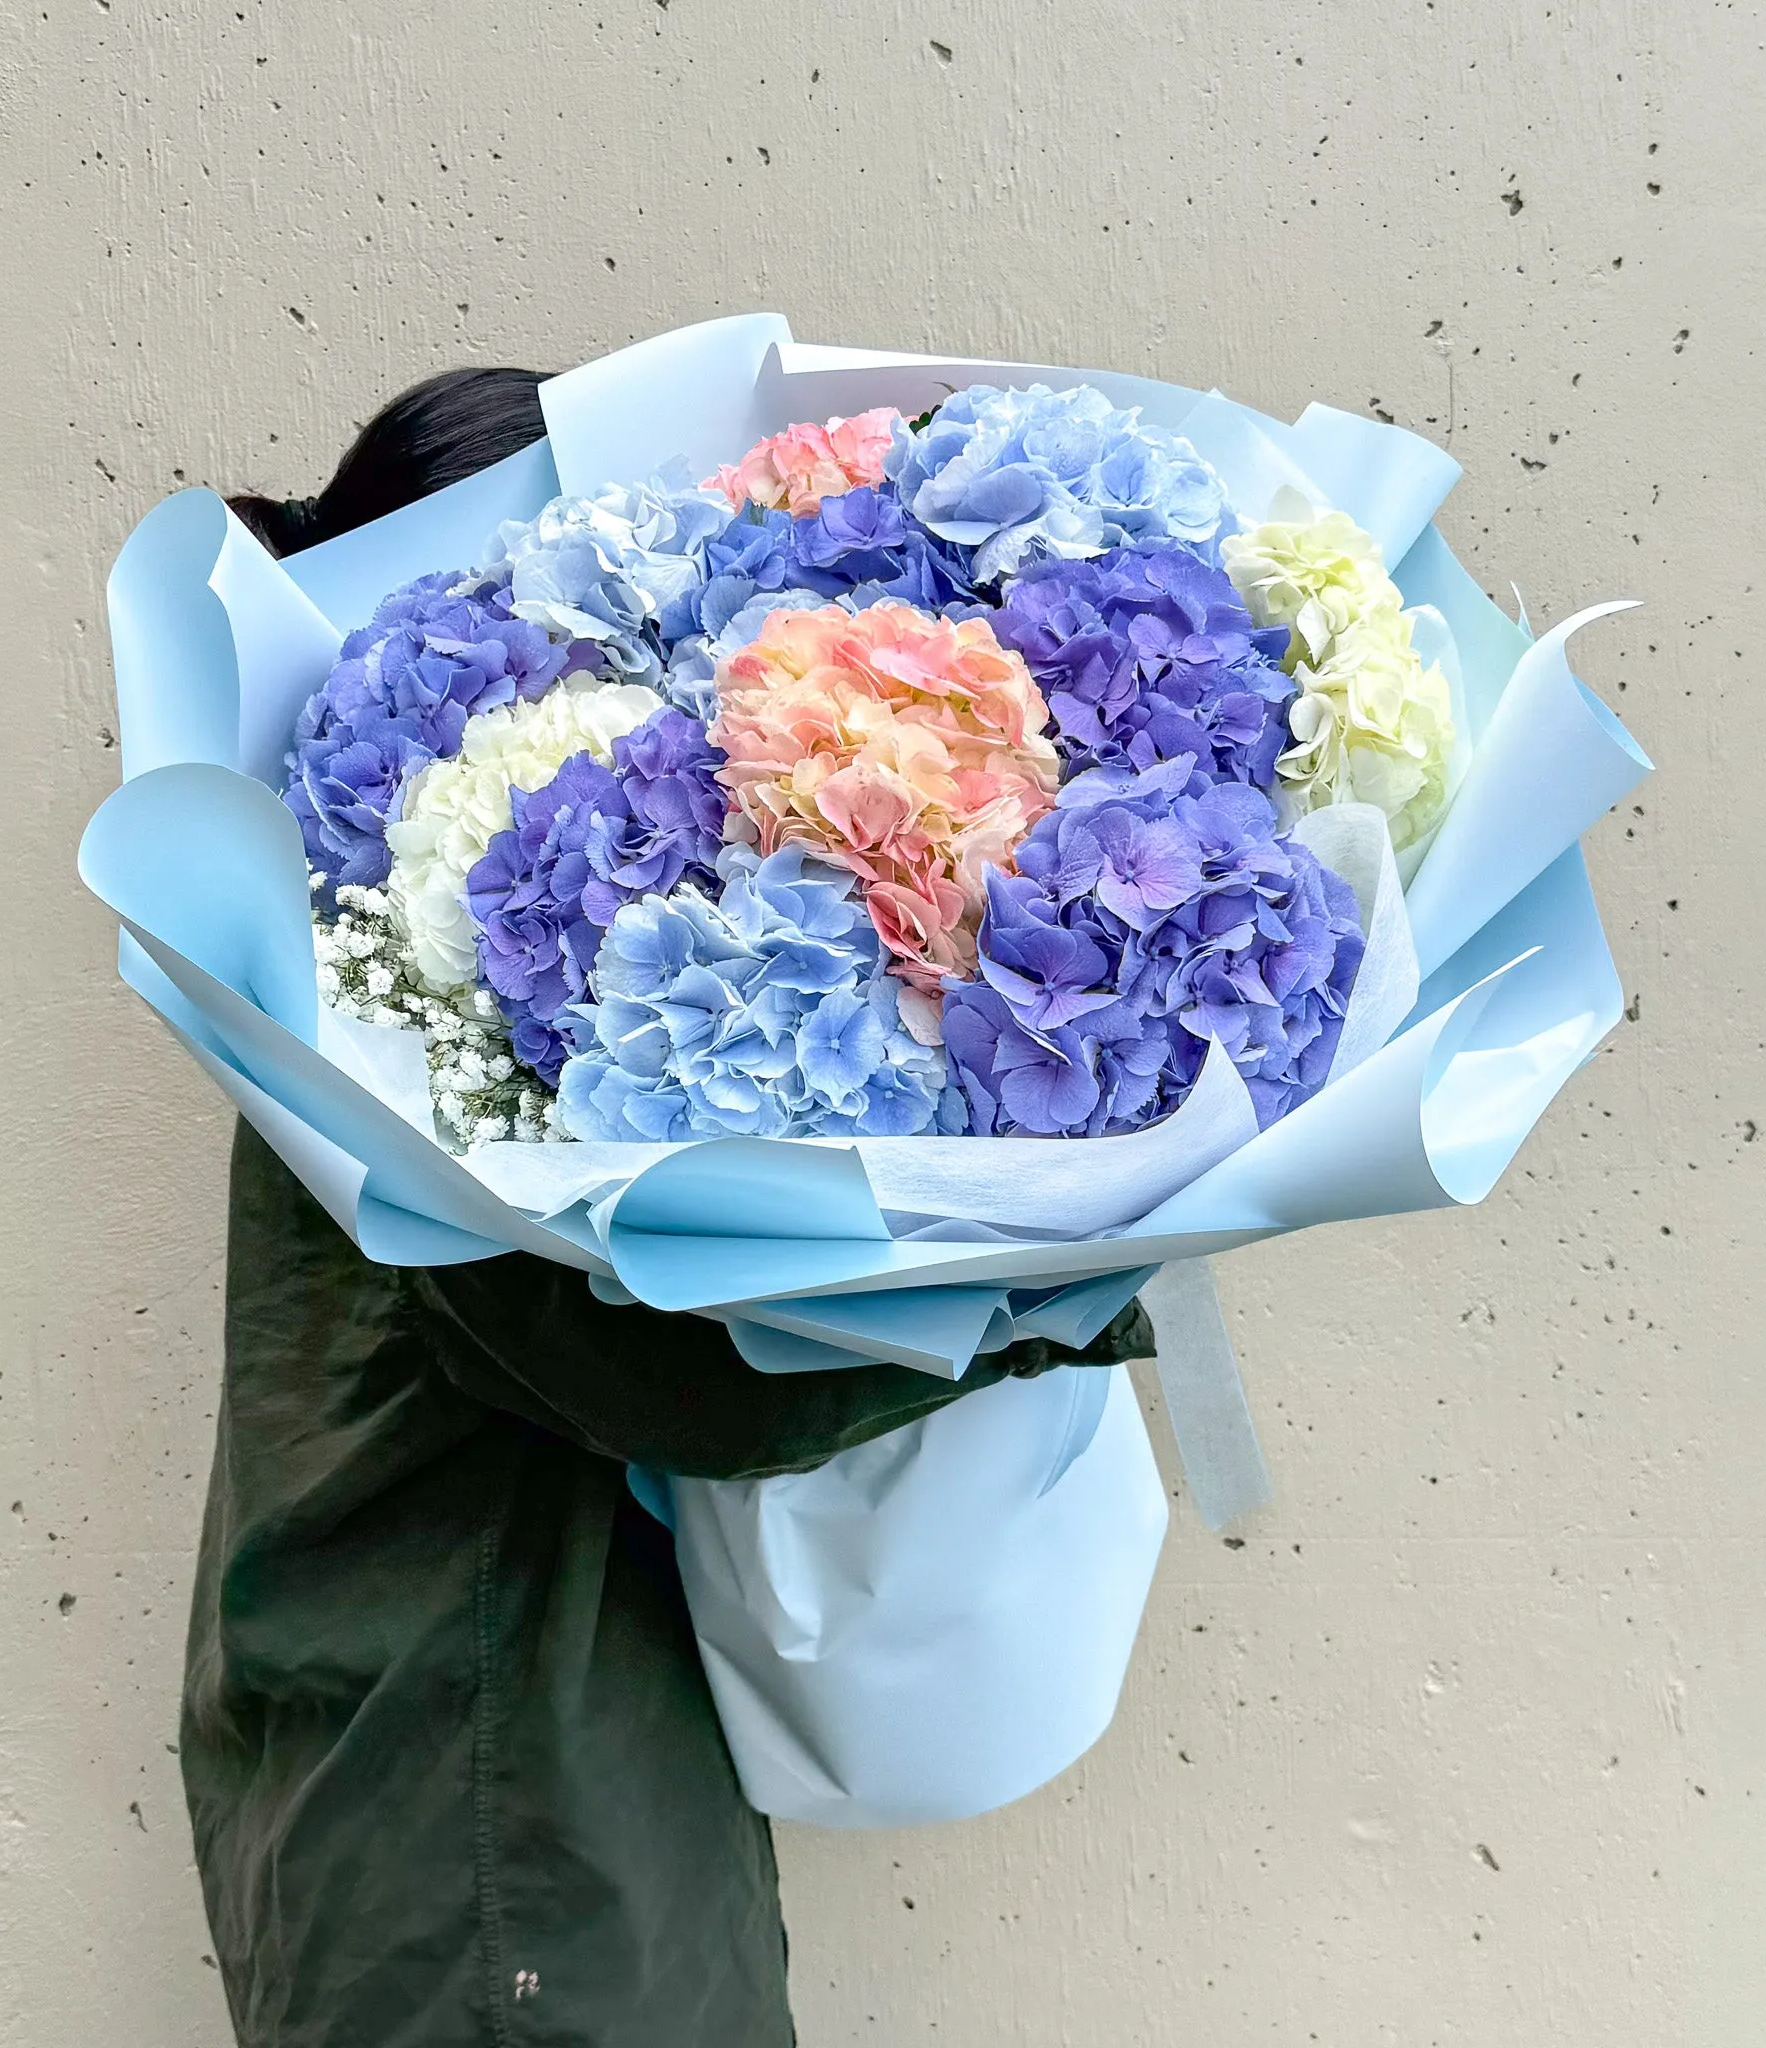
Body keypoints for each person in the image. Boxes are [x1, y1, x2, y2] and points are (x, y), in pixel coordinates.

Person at [186, 367, 1151, 2048]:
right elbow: (653, 1375)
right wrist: (1064, 1267)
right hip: (492, 1826)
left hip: (455, 1766)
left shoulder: (337, 968)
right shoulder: (394, 1022)